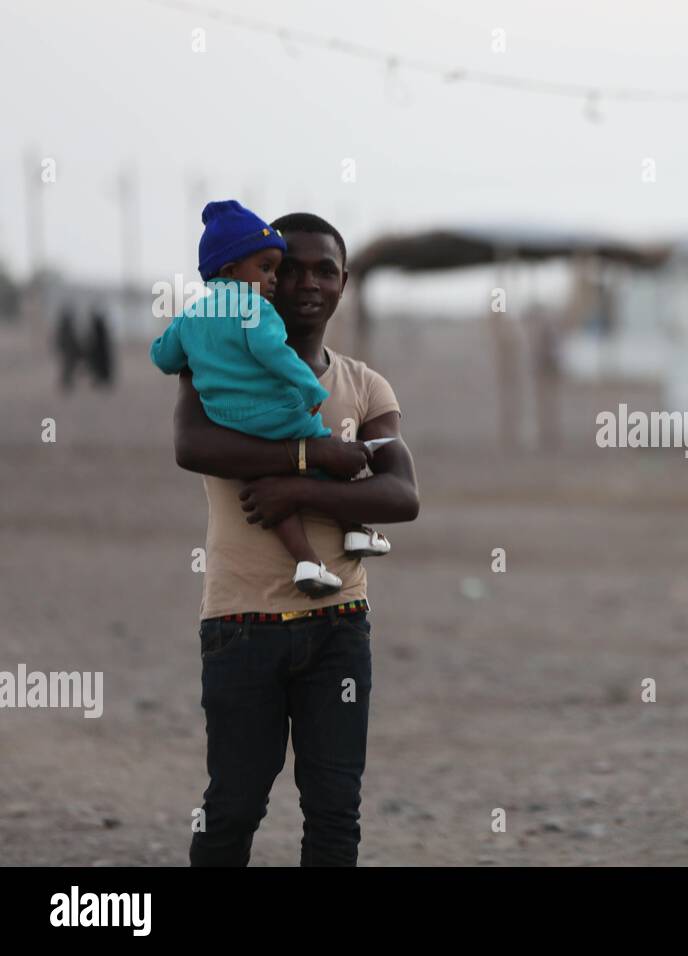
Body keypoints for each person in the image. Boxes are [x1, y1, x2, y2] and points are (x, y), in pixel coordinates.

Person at [170, 212, 420, 866]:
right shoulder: (214, 356)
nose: (307, 282)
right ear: (263, 276)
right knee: (234, 806)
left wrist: (297, 490)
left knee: (335, 812)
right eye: (290, 268)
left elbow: (401, 494)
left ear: (344, 283)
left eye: (325, 270)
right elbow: (193, 446)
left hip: (340, 627)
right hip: (241, 624)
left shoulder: (365, 386)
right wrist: (313, 456)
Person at [153, 200, 390, 596]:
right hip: (237, 611)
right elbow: (275, 354)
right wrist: (312, 398)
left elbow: (162, 355)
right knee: (330, 450)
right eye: (272, 269)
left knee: (265, 481)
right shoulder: (254, 308)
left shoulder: (191, 318)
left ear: (343, 281)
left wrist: (190, 357)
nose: (277, 281)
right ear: (231, 269)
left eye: (324, 271)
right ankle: (353, 529)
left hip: (228, 419)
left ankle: (305, 561)